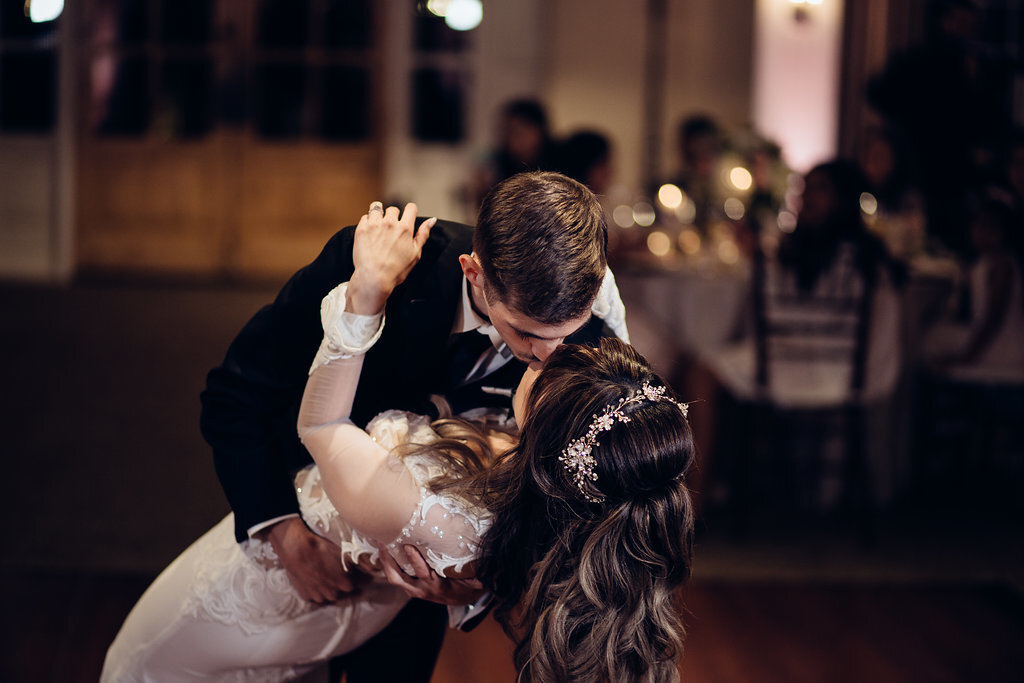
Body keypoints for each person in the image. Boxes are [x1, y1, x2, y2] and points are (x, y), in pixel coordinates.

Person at [102, 199, 690, 682]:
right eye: (528, 336)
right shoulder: (369, 269)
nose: (551, 361)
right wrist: (280, 529)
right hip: (298, 548)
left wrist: (462, 584)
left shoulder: (583, 328)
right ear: (474, 274)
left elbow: (576, 503)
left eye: (565, 337)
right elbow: (234, 396)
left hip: (412, 591)